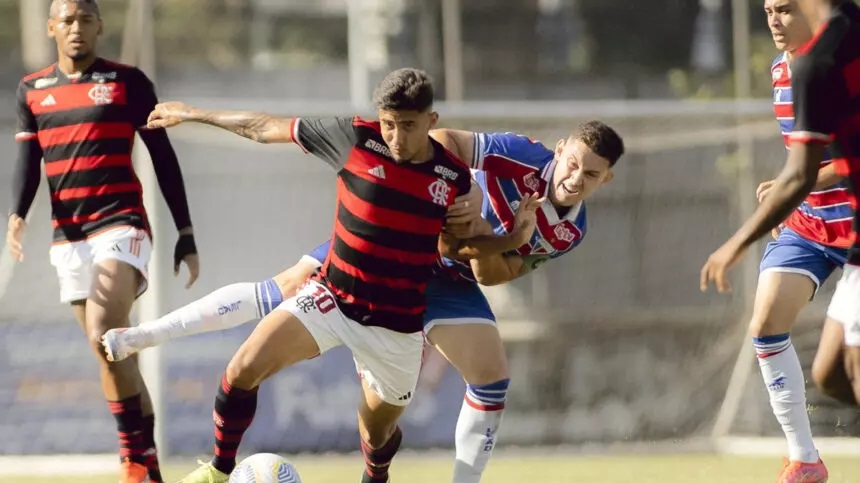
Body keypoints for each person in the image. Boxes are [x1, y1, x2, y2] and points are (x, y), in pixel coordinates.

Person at [103, 120, 624, 482]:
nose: (576, 179)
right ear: (559, 150)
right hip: (398, 240)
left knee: (491, 378)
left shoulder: (569, 233)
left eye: (592, 174)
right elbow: (443, 141)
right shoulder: (520, 154)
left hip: (447, 277)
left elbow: (497, 272)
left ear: (606, 180)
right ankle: (143, 337)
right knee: (280, 289)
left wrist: (501, 235)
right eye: (574, 163)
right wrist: (456, 193)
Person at [142, 68, 544, 483]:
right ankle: (219, 472)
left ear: (431, 122)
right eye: (389, 124)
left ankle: (376, 476)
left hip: (397, 329)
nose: (396, 137)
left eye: (408, 126)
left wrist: (511, 236)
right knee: (243, 368)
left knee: (377, 430)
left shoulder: (453, 179)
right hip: (332, 300)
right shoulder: (354, 138)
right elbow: (265, 127)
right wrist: (193, 113)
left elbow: (456, 250)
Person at [7, 1, 199, 482]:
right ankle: (149, 465)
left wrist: (185, 231)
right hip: (68, 236)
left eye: (85, 19)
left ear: (99, 26)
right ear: (52, 27)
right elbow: (29, 163)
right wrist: (16, 214)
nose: (76, 28)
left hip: (122, 223)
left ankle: (131, 459)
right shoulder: (32, 91)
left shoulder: (128, 83)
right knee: (114, 351)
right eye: (67, 20)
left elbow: (163, 156)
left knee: (104, 332)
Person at [702, 1, 860, 481]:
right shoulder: (782, 70)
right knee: (767, 321)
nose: (773, 19)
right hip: (812, 224)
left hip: (852, 223)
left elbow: (816, 167)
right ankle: (805, 460)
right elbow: (804, 160)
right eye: (768, 9)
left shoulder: (839, 58)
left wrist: (795, 187)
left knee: (837, 370)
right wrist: (793, 193)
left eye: (786, 9)